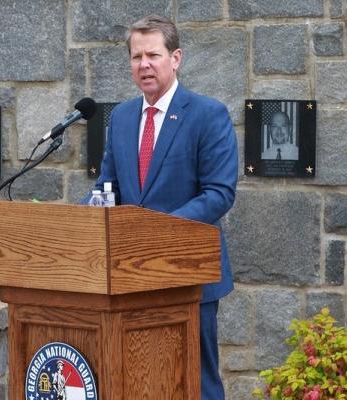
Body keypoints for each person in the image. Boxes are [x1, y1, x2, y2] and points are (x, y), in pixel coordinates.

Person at [86, 15, 238, 400]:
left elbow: (219, 193)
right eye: (137, 57)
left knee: (196, 381)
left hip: (188, 277)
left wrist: (155, 230)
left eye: (153, 54)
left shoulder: (207, 114)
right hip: (129, 278)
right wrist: (88, 212)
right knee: (141, 379)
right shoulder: (120, 117)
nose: (144, 64)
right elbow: (109, 186)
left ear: (176, 58)